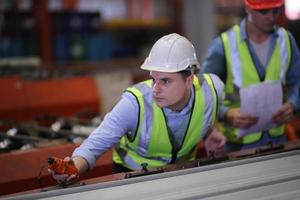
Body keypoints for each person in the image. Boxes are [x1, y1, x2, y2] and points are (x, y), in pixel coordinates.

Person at [49, 33, 226, 184]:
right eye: (153, 79)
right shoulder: (135, 104)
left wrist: (210, 129)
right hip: (134, 177)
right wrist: (73, 168)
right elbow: (94, 145)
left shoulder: (213, 89)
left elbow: (209, 108)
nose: (155, 89)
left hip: (182, 173)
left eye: (165, 81)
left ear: (189, 80)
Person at [200, 0, 300, 152]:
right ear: (248, 8)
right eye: (264, 12)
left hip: (278, 140)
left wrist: (293, 104)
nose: (271, 17)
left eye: (276, 11)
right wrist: (226, 114)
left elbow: (298, 80)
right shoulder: (224, 45)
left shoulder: (286, 40)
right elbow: (202, 94)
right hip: (237, 145)